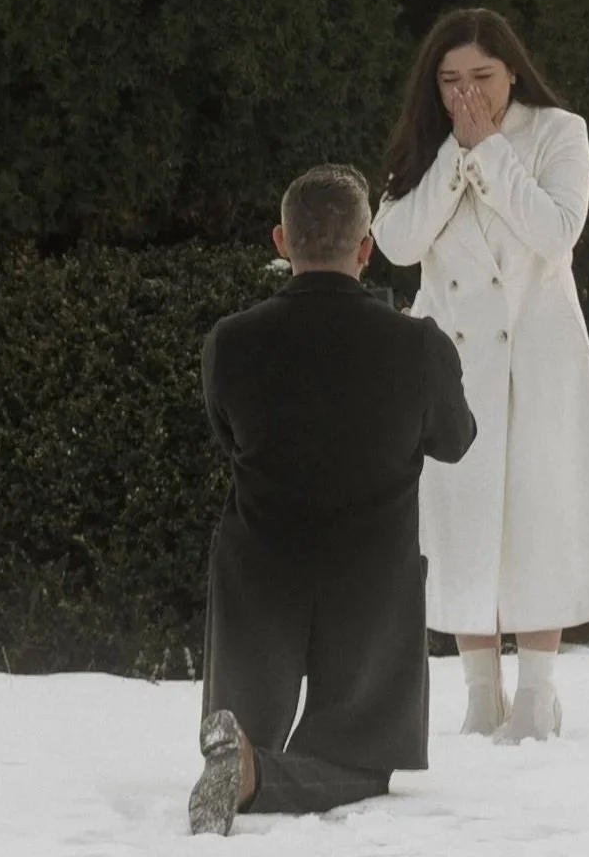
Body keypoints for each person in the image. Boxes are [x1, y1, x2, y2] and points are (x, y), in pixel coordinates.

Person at [371, 8, 589, 744]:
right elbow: (395, 241)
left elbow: (555, 233)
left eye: (481, 78)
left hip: (536, 354)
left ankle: (536, 695)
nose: (467, 94)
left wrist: (488, 153)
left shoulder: (559, 133)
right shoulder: (425, 144)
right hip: (454, 362)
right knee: (458, 524)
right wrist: (452, 160)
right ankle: (479, 692)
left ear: (511, 71)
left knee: (535, 515)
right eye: (450, 79)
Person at [187, 164, 478, 836]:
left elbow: (228, 435)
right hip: (369, 576)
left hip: (259, 568)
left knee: (239, 728)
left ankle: (238, 758)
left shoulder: (229, 341)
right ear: (365, 246)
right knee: (361, 763)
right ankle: (255, 774)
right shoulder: (416, 345)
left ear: (281, 240)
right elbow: (455, 441)